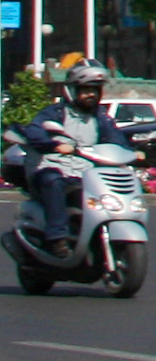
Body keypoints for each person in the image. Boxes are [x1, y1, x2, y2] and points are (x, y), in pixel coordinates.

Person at [11, 65, 113, 257]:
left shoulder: (100, 118)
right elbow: (35, 132)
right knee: (53, 181)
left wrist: (133, 152)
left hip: (83, 174)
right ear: (72, 90)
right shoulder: (54, 113)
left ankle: (96, 237)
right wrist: (53, 144)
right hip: (50, 169)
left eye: (94, 90)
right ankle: (57, 238)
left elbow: (115, 138)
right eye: (85, 90)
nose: (91, 95)